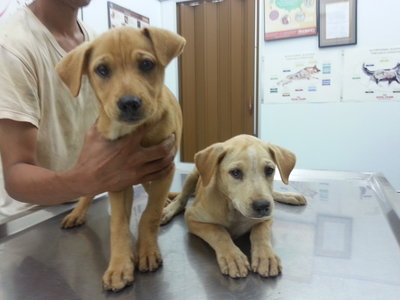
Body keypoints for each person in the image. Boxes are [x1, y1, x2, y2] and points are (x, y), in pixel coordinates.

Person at [0, 0, 176, 216]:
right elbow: (16, 176)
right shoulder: (12, 47)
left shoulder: (95, 40)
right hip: (32, 218)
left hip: (93, 200)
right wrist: (85, 181)